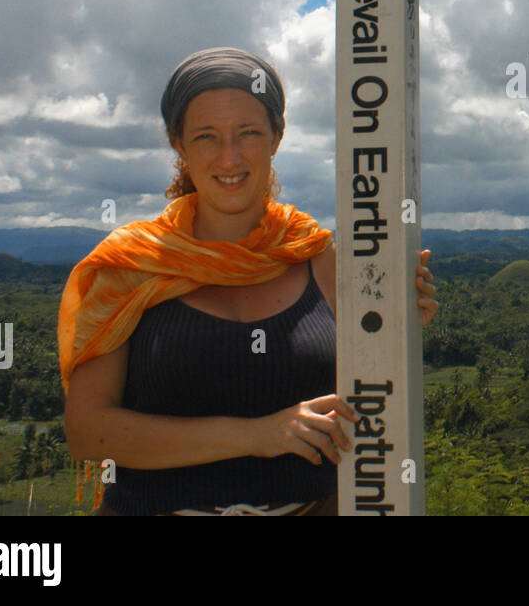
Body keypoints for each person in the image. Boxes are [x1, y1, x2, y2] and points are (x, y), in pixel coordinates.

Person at [59, 46, 437, 515]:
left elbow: (372, 395)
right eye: (206, 136)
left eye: (249, 133)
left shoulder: (319, 259)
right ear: (178, 143)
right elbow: (87, 431)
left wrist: (398, 321)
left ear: (277, 137)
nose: (229, 156)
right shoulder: (131, 267)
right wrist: (257, 435)